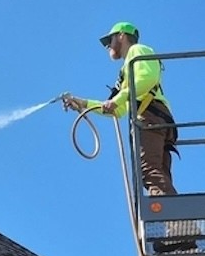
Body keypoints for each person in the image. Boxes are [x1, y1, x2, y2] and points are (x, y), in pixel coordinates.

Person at [66, 22, 178, 196]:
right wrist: (83, 104)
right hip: (154, 117)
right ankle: (180, 221)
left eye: (109, 40)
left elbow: (148, 78)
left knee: (149, 172)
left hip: (151, 116)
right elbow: (118, 110)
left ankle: (172, 218)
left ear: (121, 36)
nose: (108, 46)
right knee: (158, 174)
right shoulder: (126, 71)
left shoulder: (137, 50)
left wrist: (118, 99)